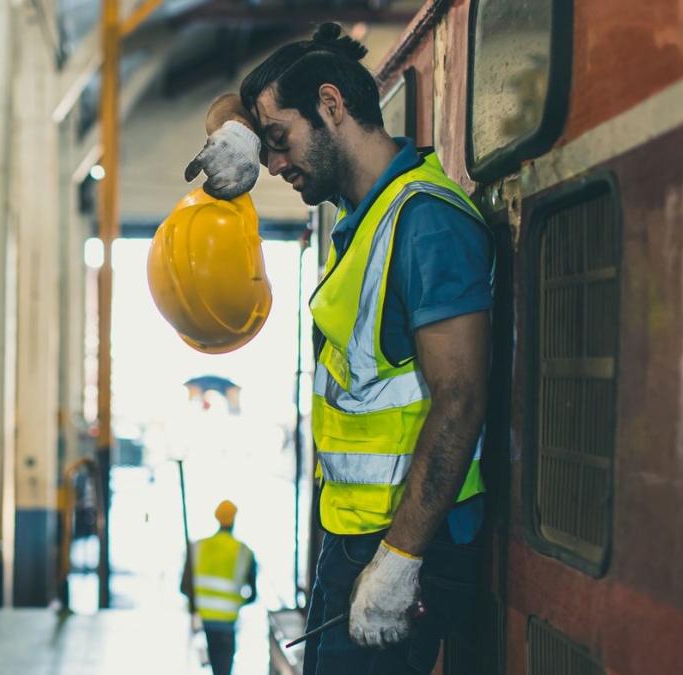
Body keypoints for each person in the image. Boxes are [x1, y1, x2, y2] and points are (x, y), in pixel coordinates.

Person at [184, 23, 493, 675]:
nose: (273, 165)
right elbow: (241, 105)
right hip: (354, 541)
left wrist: (400, 559)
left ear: (331, 105)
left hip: (407, 547)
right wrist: (242, 129)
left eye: (276, 141)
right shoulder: (364, 221)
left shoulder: (424, 221)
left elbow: (461, 399)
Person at [181, 500, 257, 675]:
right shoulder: (244, 552)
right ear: (234, 520)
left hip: (200, 622)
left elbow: (184, 588)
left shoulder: (197, 547)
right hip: (226, 625)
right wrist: (236, 603)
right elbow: (252, 595)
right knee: (223, 671)